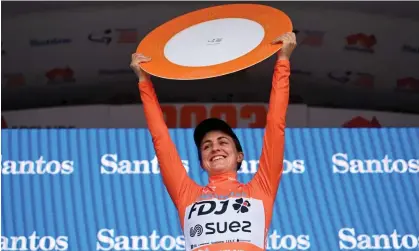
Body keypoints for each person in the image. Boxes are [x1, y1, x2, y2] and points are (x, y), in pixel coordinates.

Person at [130, 31, 296, 251]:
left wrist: (283, 60)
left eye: (223, 142)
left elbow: (276, 125)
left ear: (240, 156)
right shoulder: (186, 195)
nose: (214, 147)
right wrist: (144, 80)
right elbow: (160, 139)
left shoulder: (262, 188)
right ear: (201, 162)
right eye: (206, 146)